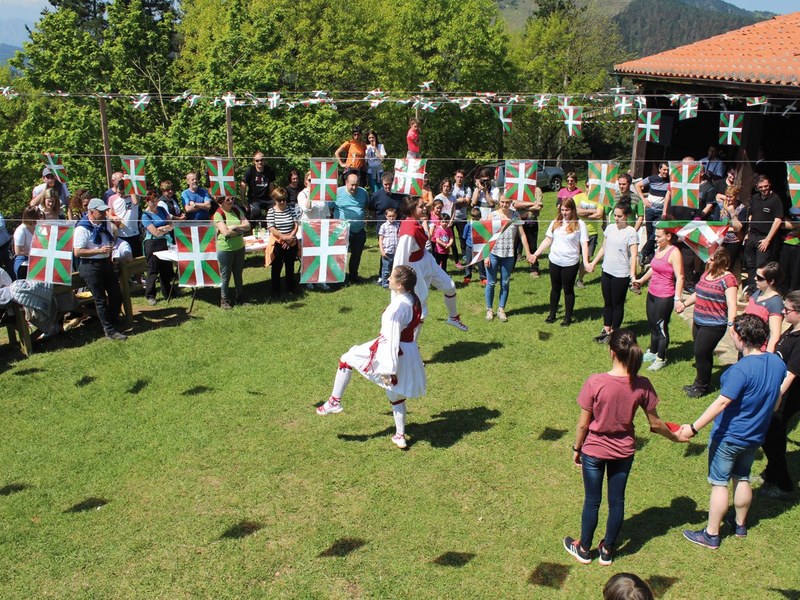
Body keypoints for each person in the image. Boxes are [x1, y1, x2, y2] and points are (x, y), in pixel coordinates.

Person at [564, 329, 679, 566]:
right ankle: (607, 551)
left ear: (611, 352)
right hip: (623, 452)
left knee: (592, 501)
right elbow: (656, 424)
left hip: (593, 451)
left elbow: (583, 424)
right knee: (617, 501)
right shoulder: (643, 384)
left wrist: (577, 448)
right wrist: (675, 437)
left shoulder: (595, 382)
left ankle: (584, 549)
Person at [679, 314, 786, 550]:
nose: (732, 335)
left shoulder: (740, 370)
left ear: (742, 338)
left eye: (734, 333)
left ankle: (711, 534)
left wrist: (693, 428)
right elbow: (776, 398)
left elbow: (722, 402)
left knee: (720, 484)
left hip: (729, 436)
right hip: (755, 436)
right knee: (743, 477)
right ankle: (739, 525)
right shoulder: (777, 362)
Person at [316, 265, 425, 449]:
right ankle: (400, 435)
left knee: (347, 359)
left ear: (400, 285)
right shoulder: (413, 299)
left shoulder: (397, 309)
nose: (388, 279)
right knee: (395, 394)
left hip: (392, 350)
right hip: (408, 350)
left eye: (392, 277)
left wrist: (387, 370)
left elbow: (390, 339)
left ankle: (335, 401)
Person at [394, 196, 468, 331]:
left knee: (450, 286)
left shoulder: (416, 222)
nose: (425, 208)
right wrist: (397, 279)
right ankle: (410, 342)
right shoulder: (408, 229)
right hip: (416, 269)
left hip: (428, 260)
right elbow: (400, 256)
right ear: (412, 209)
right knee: (420, 308)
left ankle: (453, 317)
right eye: (421, 206)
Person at [676, 249, 738, 397]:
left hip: (714, 324)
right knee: (702, 354)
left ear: (719, 260)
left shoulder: (728, 279)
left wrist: (731, 324)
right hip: (698, 320)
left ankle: (702, 387)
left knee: (701, 352)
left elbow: (732, 304)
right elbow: (698, 293)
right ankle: (699, 383)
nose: (707, 260)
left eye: (711, 259)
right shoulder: (707, 274)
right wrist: (684, 305)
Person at [759, 290, 800, 500]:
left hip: (786, 395)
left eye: (787, 309)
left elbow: (791, 375)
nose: (783, 312)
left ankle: (784, 485)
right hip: (779, 392)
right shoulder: (793, 330)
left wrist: (775, 398)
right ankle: (771, 473)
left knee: (770, 437)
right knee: (775, 434)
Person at [532, 197, 590, 327]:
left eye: (567, 210)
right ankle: (552, 314)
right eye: (562, 210)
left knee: (568, 290)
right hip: (555, 260)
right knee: (555, 288)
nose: (564, 213)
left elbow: (584, 244)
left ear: (573, 210)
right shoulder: (556, 222)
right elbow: (548, 239)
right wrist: (536, 254)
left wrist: (586, 262)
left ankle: (568, 318)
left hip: (570, 262)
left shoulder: (580, 224)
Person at [73, 199, 126, 341]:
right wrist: (99, 250)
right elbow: (77, 252)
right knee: (100, 299)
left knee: (116, 294)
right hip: (90, 265)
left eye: (104, 211)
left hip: (105, 262)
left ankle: (113, 321)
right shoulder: (82, 228)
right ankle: (109, 330)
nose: (103, 214)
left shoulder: (105, 223)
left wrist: (110, 250)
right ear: (91, 212)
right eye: (100, 211)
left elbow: (110, 239)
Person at [632, 228, 684, 371]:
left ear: (668, 236)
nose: (656, 239)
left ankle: (661, 358)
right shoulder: (659, 249)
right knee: (652, 324)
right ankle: (653, 351)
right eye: (655, 236)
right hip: (652, 293)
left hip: (665, 296)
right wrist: (641, 280)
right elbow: (654, 268)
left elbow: (680, 277)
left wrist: (677, 298)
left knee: (661, 327)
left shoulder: (674, 253)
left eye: (659, 236)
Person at [590, 203, 638, 343]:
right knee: (607, 302)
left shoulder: (631, 232)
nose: (616, 218)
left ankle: (614, 333)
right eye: (615, 215)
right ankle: (606, 330)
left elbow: (634, 255)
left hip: (621, 274)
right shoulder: (610, 228)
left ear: (627, 216)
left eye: (619, 216)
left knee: (617, 304)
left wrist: (632, 275)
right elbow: (603, 248)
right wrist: (593, 263)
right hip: (607, 270)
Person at [484, 197, 533, 322]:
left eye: (507, 202)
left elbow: (522, 235)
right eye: (502, 202)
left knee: (505, 283)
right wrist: (486, 256)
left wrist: (528, 252)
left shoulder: (516, 216)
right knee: (491, 283)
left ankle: (501, 309)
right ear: (499, 202)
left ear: (511, 203)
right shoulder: (492, 216)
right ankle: (489, 309)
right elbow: (486, 236)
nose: (505, 204)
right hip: (493, 254)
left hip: (509, 255)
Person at [744, 175, 783, 297]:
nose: (764, 189)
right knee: (750, 265)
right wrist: (747, 234)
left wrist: (768, 240)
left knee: (760, 267)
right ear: (757, 187)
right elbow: (751, 217)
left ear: (769, 184)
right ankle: (751, 291)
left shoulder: (775, 199)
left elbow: (778, 221)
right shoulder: (755, 198)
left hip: (764, 238)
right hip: (752, 236)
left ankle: (760, 293)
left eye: (766, 186)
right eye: (761, 187)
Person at [214, 195, 250, 308]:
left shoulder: (237, 210)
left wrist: (234, 227)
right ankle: (224, 300)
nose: (231, 201)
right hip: (225, 249)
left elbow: (248, 225)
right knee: (226, 275)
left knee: (238, 273)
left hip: (239, 247)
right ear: (221, 201)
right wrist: (240, 229)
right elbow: (225, 232)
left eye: (232, 199)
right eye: (228, 199)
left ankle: (240, 297)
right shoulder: (218, 214)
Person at [141, 190, 175, 306]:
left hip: (164, 242)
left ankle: (168, 292)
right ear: (147, 202)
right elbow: (155, 232)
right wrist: (165, 229)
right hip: (152, 243)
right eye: (152, 201)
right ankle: (150, 295)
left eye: (156, 201)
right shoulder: (145, 215)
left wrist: (164, 229)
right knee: (153, 270)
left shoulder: (162, 210)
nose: (155, 203)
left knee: (165, 268)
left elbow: (171, 225)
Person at [334, 171, 369, 283]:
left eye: (356, 185)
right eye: (352, 185)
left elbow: (367, 206)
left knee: (356, 254)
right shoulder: (337, 192)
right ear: (346, 182)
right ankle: (338, 277)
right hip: (341, 230)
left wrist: (365, 216)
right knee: (339, 254)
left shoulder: (363, 192)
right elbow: (328, 207)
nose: (354, 187)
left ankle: (353, 276)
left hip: (358, 230)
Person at [743, 261, 784, 352]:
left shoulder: (775, 303)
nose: (755, 278)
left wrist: (767, 356)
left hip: (758, 350)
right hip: (746, 345)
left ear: (771, 281)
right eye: (756, 275)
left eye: (759, 278)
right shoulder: (758, 292)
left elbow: (774, 335)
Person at [635, 162, 670, 265]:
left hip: (661, 212)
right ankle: (650, 258)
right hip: (650, 210)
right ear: (659, 169)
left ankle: (643, 252)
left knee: (655, 234)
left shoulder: (670, 181)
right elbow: (638, 185)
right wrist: (643, 199)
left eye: (668, 170)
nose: (666, 172)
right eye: (664, 170)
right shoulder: (652, 178)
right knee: (650, 234)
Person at [267, 188, 299, 299]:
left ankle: (291, 287)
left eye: (284, 199)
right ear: (275, 199)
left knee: (290, 266)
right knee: (276, 267)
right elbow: (271, 227)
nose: (282, 202)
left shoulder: (291, 209)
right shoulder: (271, 211)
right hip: (278, 243)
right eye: (279, 200)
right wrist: (283, 238)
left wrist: (290, 237)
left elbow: (296, 224)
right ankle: (275, 290)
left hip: (291, 241)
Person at [573, 186, 604, 288]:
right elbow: (575, 211)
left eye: (592, 186)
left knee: (586, 258)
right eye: (587, 186)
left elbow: (599, 215)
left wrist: (583, 214)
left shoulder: (599, 199)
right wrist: (592, 211)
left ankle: (580, 279)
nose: (589, 188)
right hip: (577, 231)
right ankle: (570, 277)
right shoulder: (577, 197)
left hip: (592, 233)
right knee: (573, 256)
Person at [514, 185, 544, 279]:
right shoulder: (517, 188)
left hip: (531, 220)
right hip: (518, 220)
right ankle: (510, 267)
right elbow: (515, 205)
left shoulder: (537, 190)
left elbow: (538, 207)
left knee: (532, 246)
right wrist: (531, 204)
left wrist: (522, 206)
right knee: (514, 245)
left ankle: (534, 268)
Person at [108, 178, 142, 258]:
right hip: (120, 234)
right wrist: (114, 217)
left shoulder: (133, 196)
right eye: (119, 192)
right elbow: (109, 215)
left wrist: (130, 186)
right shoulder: (112, 198)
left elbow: (135, 202)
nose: (121, 195)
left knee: (137, 259)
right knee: (124, 259)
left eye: (123, 193)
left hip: (134, 233)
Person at [240, 151, 276, 223]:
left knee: (276, 209)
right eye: (257, 160)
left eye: (262, 160)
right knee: (255, 212)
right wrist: (243, 202)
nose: (260, 162)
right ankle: (255, 225)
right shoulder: (250, 170)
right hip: (254, 199)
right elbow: (243, 185)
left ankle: (270, 226)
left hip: (266, 198)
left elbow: (271, 186)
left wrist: (274, 199)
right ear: (254, 161)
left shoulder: (269, 170)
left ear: (264, 160)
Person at [452, 169, 471, 267]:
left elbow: (467, 202)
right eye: (458, 177)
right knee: (451, 240)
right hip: (451, 217)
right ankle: (456, 260)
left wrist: (454, 201)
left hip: (462, 217)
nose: (459, 179)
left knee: (463, 239)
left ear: (464, 178)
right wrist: (460, 200)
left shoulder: (467, 189)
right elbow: (448, 201)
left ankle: (466, 258)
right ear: (455, 177)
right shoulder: (450, 188)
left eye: (461, 177)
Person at [13, 207, 39, 280]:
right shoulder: (21, 231)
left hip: (36, 260)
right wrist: (35, 252)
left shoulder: (37, 227)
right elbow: (18, 251)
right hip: (24, 262)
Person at [378, 208, 400, 289]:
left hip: (396, 251)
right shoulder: (383, 226)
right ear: (386, 216)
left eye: (393, 216)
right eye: (389, 216)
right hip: (387, 251)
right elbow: (380, 239)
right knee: (386, 269)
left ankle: (394, 282)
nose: (391, 218)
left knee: (395, 268)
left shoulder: (398, 225)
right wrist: (382, 250)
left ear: (396, 216)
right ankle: (385, 283)